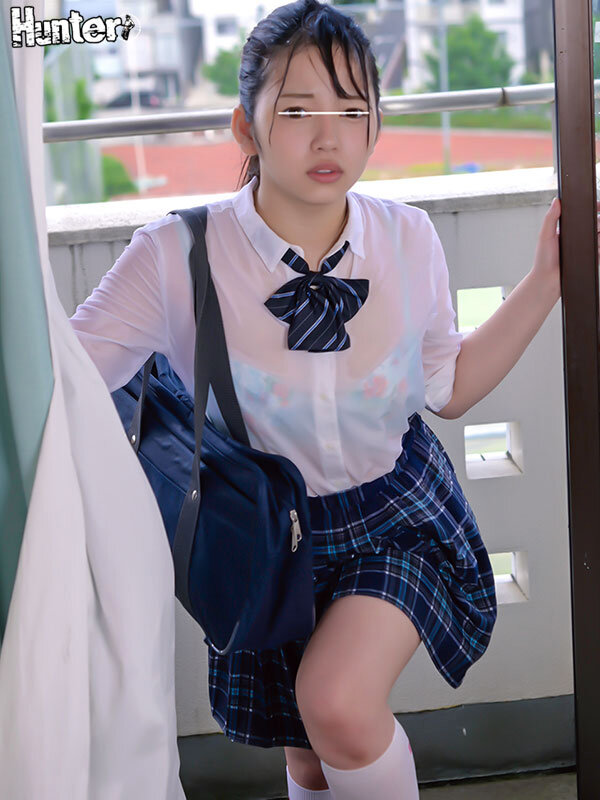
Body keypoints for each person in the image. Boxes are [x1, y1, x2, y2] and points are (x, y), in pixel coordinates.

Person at [69, 1, 562, 797]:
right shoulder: (175, 256)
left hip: (393, 518)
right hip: (265, 537)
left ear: (376, 125)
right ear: (246, 127)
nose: (328, 137)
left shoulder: (407, 237)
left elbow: (449, 388)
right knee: (308, 753)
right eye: (297, 111)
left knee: (336, 703)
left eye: (352, 111)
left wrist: (546, 283)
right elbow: (68, 379)